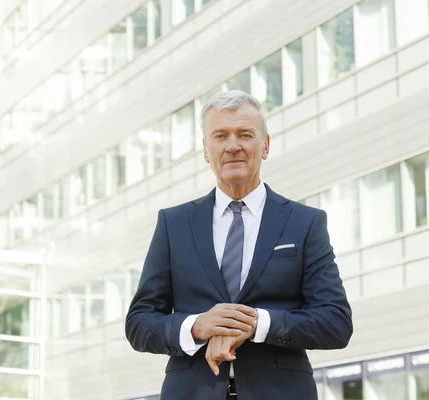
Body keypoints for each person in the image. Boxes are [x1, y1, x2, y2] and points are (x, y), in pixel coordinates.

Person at [124, 90, 353, 399]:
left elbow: (335, 322)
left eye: (245, 134)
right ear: (206, 150)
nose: (233, 146)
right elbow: (140, 323)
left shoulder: (305, 223)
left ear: (265, 145)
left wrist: (257, 324)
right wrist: (197, 326)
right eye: (220, 136)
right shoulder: (173, 224)